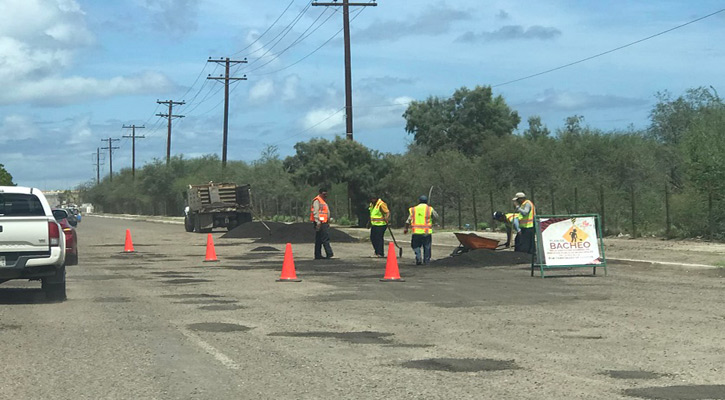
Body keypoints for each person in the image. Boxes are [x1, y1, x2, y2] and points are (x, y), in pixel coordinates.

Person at [403, 195, 439, 265]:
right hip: (426, 232)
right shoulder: (429, 209)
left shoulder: (413, 209)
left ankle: (418, 257)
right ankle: (427, 261)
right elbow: (436, 216)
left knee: (415, 246)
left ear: (419, 201)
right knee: (427, 247)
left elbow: (408, 221)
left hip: (416, 232)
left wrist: (406, 229)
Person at [310, 188, 333, 260]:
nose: (325, 195)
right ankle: (329, 253)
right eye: (324, 194)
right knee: (325, 238)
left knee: (319, 239)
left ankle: (318, 255)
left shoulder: (323, 201)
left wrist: (328, 221)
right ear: (320, 193)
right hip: (320, 222)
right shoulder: (317, 200)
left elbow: (326, 212)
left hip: (324, 222)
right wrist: (318, 222)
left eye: (326, 194)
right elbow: (315, 212)